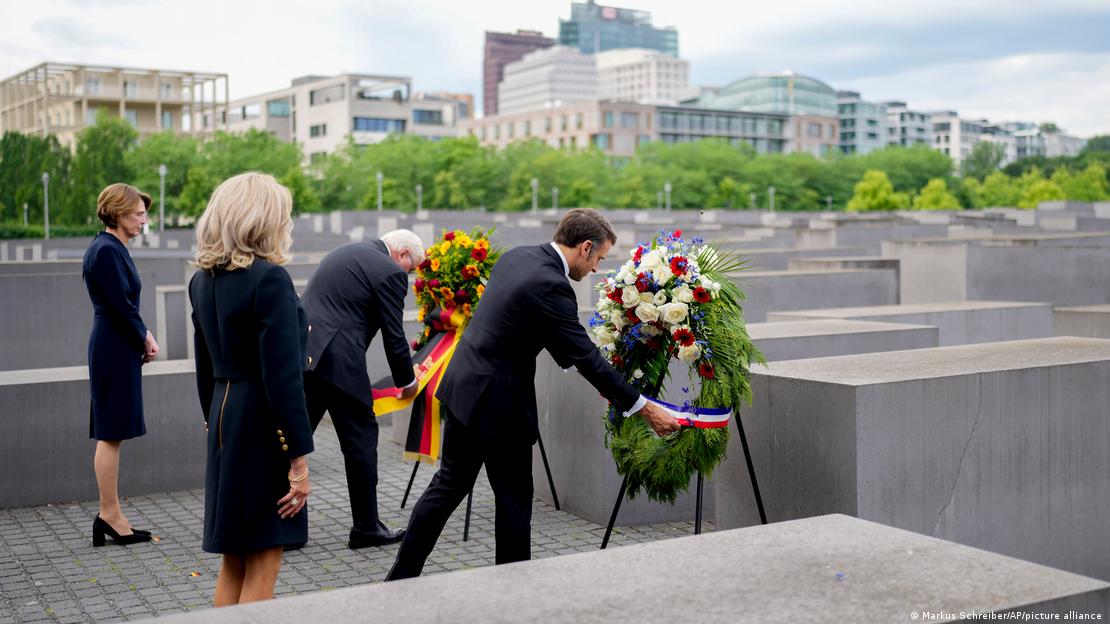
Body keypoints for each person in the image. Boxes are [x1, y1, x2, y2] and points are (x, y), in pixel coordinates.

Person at [386, 208, 679, 580]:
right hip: (498, 406)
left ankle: (399, 577)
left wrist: (582, 357)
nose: (594, 269)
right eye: (599, 258)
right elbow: (583, 357)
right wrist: (643, 408)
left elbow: (544, 338)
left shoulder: (519, 256)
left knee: (446, 487)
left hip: (464, 387)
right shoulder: (552, 285)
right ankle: (515, 589)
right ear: (585, 247)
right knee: (513, 501)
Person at [188, 172, 313, 606]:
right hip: (261, 424)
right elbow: (283, 379)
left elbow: (205, 367)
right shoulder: (269, 279)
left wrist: (214, 421)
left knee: (235, 559)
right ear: (264, 219)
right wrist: (298, 459)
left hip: (225, 417)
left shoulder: (202, 281)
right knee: (264, 555)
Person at [300, 230, 424, 549]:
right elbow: (394, 336)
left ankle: (278, 526)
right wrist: (407, 383)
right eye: (411, 269)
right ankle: (366, 527)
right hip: (339, 360)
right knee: (361, 440)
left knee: (295, 438)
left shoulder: (349, 251)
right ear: (403, 256)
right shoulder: (389, 270)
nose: (407, 276)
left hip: (306, 352)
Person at [83, 183, 159, 547]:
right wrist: (144, 335)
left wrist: (139, 337)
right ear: (116, 212)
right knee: (110, 432)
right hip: (113, 344)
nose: (143, 219)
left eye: (144, 213)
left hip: (117, 343)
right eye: (137, 213)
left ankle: (111, 513)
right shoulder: (106, 251)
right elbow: (119, 304)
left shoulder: (112, 248)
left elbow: (122, 305)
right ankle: (109, 514)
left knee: (112, 431)